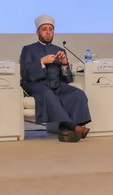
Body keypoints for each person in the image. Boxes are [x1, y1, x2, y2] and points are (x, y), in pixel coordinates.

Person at [19, 14, 92, 142]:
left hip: (57, 85)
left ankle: (67, 130)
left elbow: (68, 80)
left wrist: (64, 65)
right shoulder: (28, 49)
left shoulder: (59, 50)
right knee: (48, 94)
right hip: (37, 85)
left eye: (50, 29)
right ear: (37, 32)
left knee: (78, 93)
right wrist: (41, 61)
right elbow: (25, 73)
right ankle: (74, 127)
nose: (48, 32)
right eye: (44, 29)